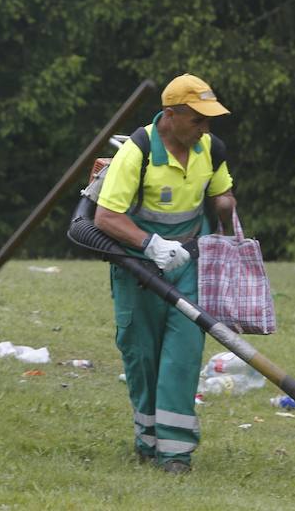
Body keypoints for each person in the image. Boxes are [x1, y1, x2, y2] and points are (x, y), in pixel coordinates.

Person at [94, 73, 237, 474]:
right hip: (139, 269)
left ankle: (175, 453)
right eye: (198, 120)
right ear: (170, 116)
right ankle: (147, 440)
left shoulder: (209, 148)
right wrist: (152, 246)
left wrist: (225, 204)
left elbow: (220, 192)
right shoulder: (136, 153)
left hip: (189, 267)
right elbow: (105, 217)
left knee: (183, 356)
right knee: (142, 356)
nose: (206, 128)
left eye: (209, 120)